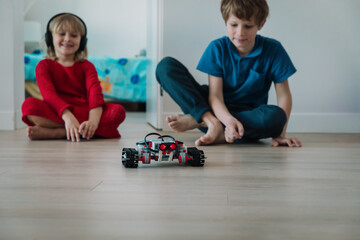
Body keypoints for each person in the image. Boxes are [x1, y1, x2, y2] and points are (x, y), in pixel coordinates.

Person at [156, 0, 302, 147]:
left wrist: (280, 134)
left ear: (261, 24)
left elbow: (284, 95)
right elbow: (215, 96)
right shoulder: (217, 48)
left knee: (276, 116)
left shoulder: (274, 50)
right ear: (226, 21)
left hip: (249, 119)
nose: (240, 32)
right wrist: (226, 120)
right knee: (165, 67)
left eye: (248, 26)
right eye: (234, 25)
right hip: (210, 108)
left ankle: (200, 122)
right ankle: (211, 122)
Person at [22, 13, 126, 142]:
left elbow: (95, 96)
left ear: (82, 42)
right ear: (50, 38)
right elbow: (49, 96)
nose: (67, 39)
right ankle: (83, 130)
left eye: (74, 35)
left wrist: (93, 122)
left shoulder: (87, 66)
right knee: (29, 106)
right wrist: (68, 117)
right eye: (62, 33)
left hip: (86, 111)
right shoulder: (43, 66)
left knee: (118, 111)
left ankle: (61, 132)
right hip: (58, 111)